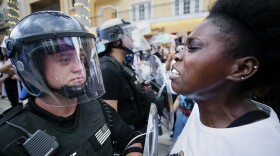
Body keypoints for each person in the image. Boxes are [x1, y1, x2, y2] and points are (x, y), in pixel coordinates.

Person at [0, 11, 144, 156]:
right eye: (65, 59)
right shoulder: (8, 139)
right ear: (34, 68)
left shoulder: (98, 106)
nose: (80, 68)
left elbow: (129, 139)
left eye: (81, 58)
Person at [169, 0, 280, 155]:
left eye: (193, 47)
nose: (177, 56)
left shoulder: (262, 146)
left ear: (241, 69)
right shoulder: (201, 109)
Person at [97, 18, 160, 131]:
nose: (132, 39)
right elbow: (111, 119)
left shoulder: (123, 65)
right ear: (116, 40)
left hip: (138, 131)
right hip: (128, 141)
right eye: (128, 35)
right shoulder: (108, 70)